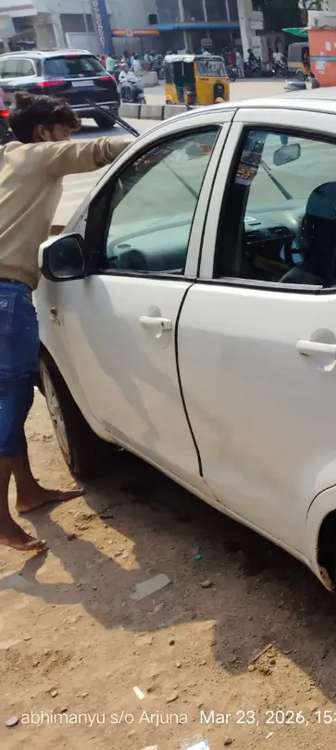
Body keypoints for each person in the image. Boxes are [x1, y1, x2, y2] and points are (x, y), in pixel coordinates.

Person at [0, 93, 130, 552]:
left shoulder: (10, 159)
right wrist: (148, 142)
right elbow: (95, 152)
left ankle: (29, 492)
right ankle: (2, 520)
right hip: (5, 296)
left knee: (9, 403)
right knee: (9, 407)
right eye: (64, 132)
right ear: (43, 134)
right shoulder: (37, 158)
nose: (68, 139)